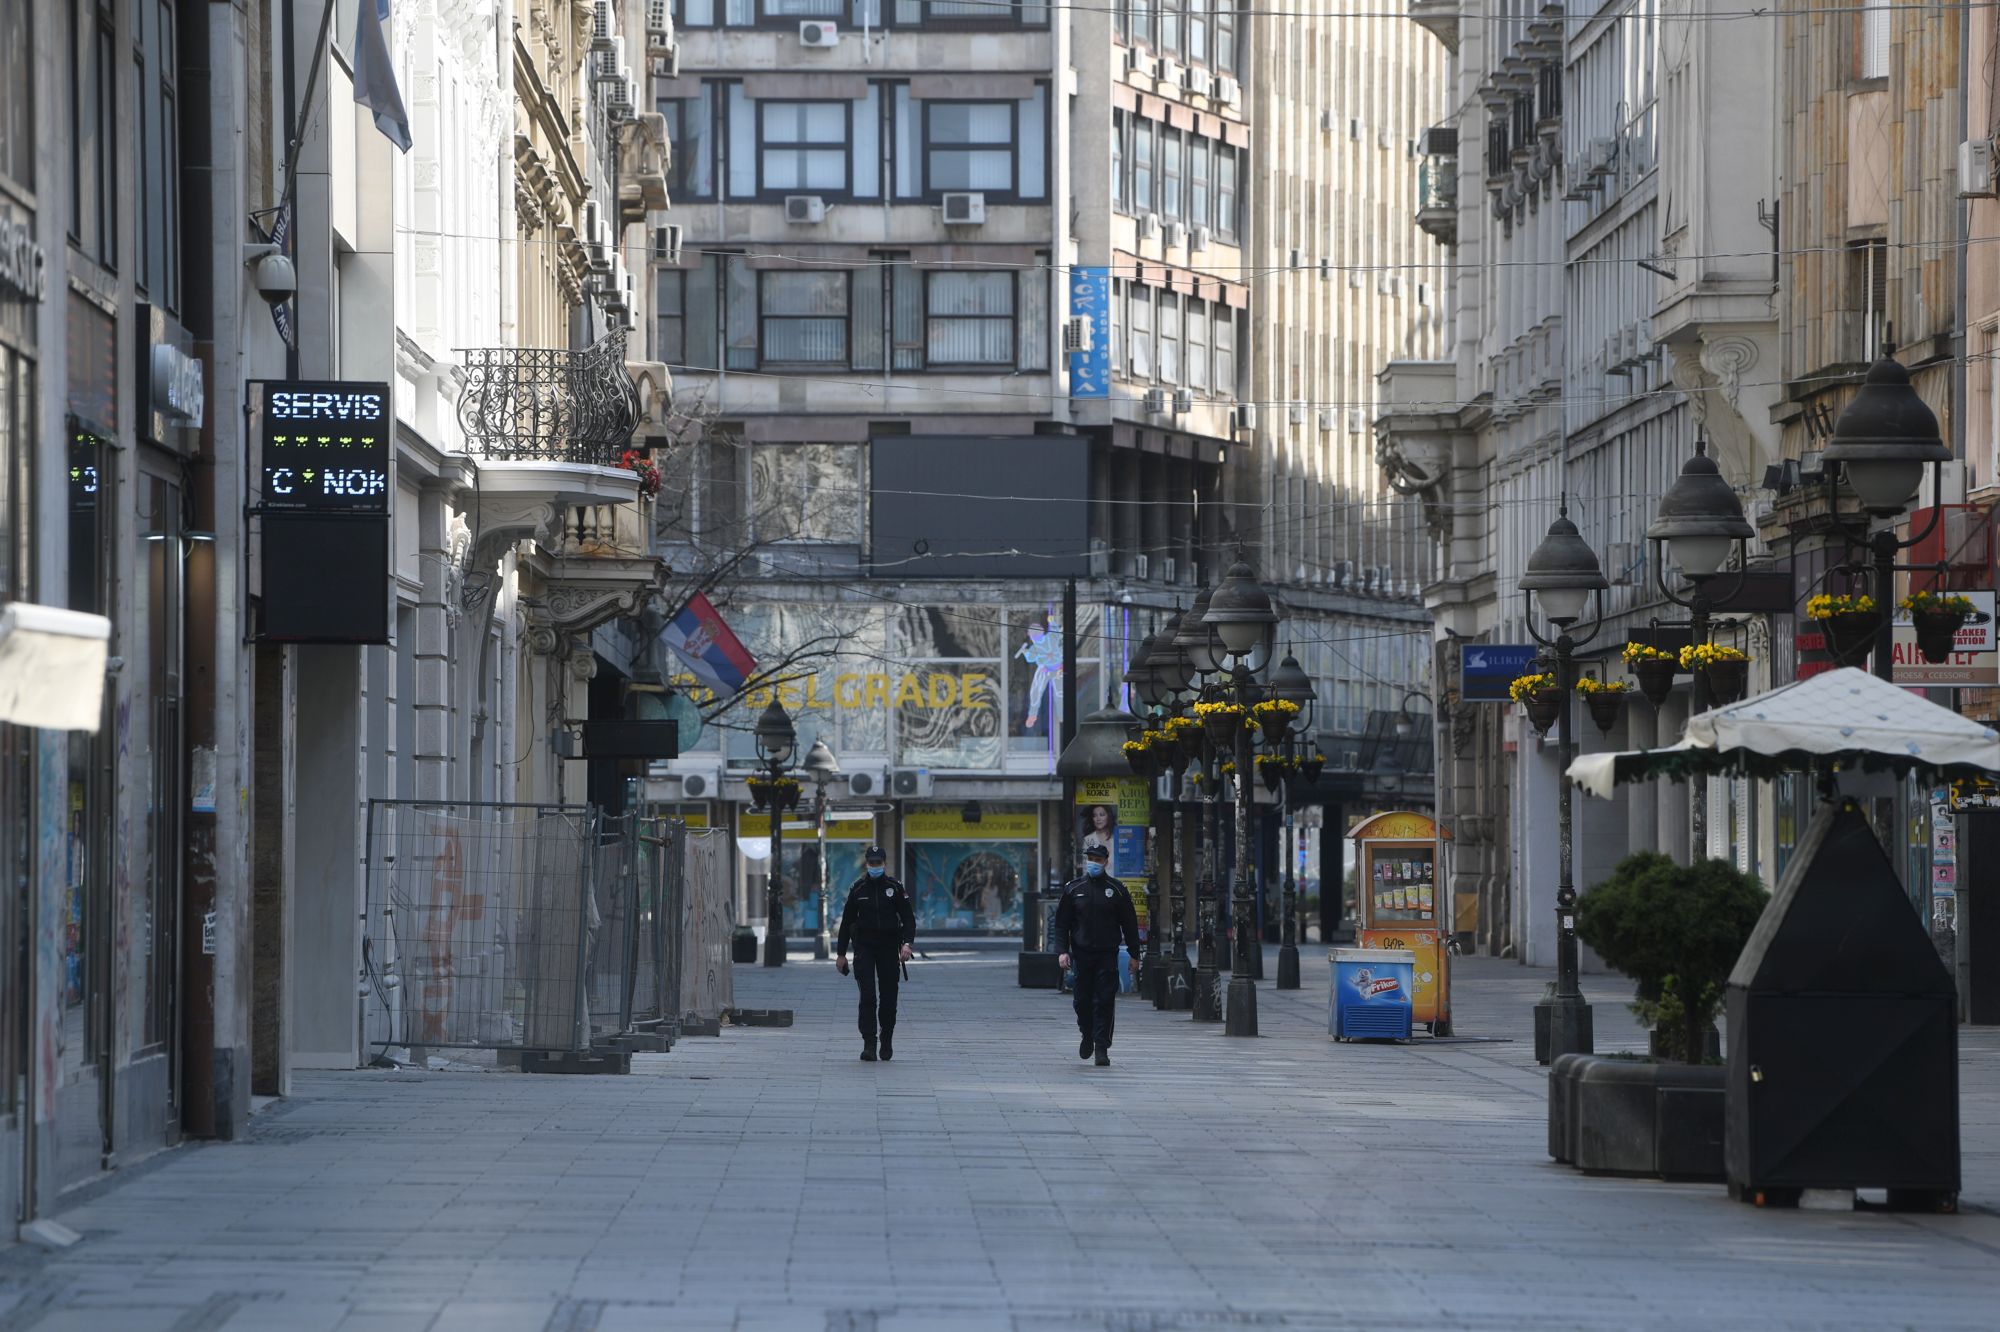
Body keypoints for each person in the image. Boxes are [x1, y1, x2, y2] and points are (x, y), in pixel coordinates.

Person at [1055, 843, 1141, 1066]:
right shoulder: (1074, 889)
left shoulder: (1117, 890)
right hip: (1081, 955)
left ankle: (1101, 1047)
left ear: (1106, 861)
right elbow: (1062, 923)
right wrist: (1062, 951)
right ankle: (1087, 1035)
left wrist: (1134, 954)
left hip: (1106, 955)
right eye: (1090, 858)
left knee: (1104, 1000)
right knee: (1081, 1001)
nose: (1093, 862)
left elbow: (1130, 924)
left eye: (1097, 858)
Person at [835, 845, 915, 1062]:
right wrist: (841, 954)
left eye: (878, 863)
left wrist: (907, 944)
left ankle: (886, 1038)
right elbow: (846, 922)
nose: (875, 866)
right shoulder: (858, 889)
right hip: (865, 947)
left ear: (884, 863)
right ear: (867, 863)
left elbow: (908, 918)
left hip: (889, 947)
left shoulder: (895, 888)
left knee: (889, 997)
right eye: (872, 863)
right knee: (868, 995)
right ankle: (869, 1043)